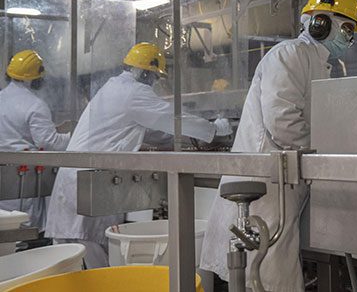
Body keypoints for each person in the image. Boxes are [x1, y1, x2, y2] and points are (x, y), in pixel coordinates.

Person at [200, 0, 357, 291]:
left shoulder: (322, 66)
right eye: (346, 27)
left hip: (285, 183)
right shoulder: (289, 55)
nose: (350, 37)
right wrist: (324, 158)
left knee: (272, 273)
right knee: (269, 277)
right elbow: (282, 122)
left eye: (352, 31)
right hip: (266, 186)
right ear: (320, 22)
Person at [45, 42, 232, 268]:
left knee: (70, 268)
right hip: (88, 185)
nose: (155, 82)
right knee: (95, 266)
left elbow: (149, 130)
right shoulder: (134, 92)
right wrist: (215, 129)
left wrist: (186, 141)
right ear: (144, 72)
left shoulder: (113, 88)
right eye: (154, 76)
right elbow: (174, 119)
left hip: (74, 183)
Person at [0, 50, 71, 231]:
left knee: (5, 230)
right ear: (31, 78)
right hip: (24, 182)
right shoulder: (34, 104)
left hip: (4, 180)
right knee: (23, 231)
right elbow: (48, 143)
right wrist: (73, 137)